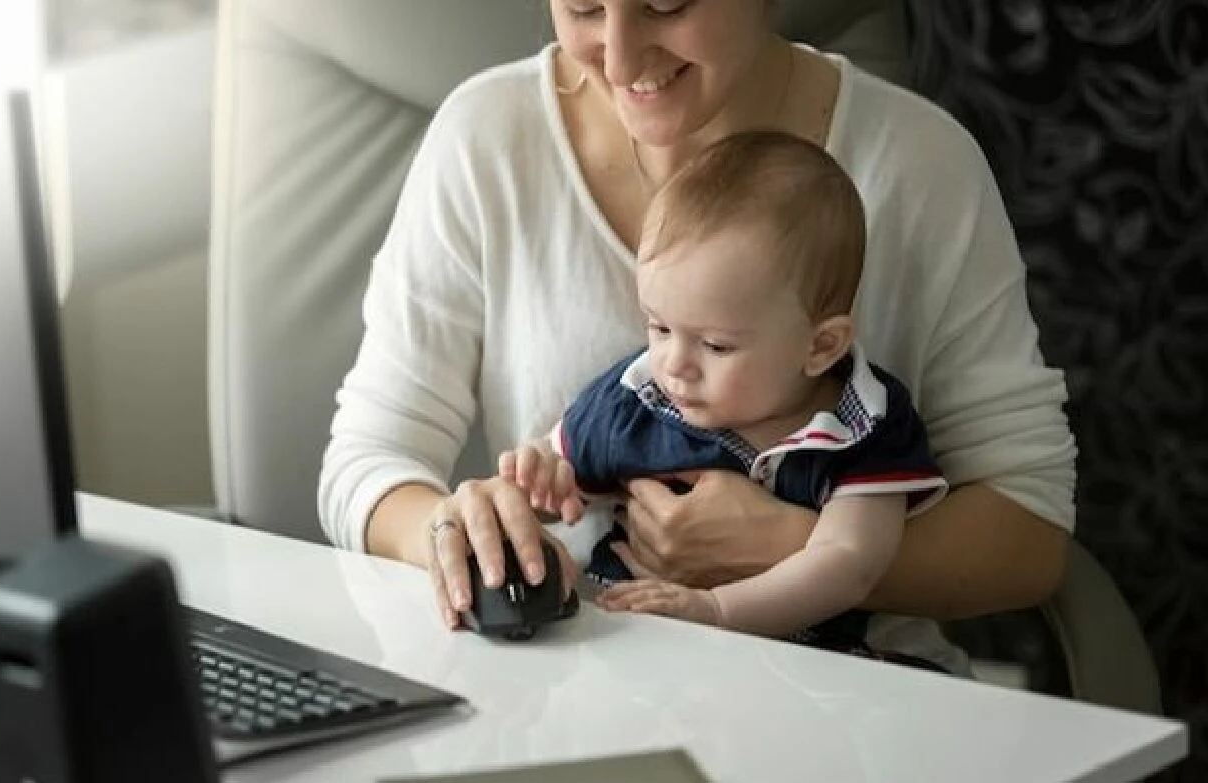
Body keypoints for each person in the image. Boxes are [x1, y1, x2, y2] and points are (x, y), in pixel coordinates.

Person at [318, 0, 1077, 675]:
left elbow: (1030, 525)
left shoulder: (919, 163)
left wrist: (795, 546)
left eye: (666, 4)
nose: (618, 59)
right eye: (583, 8)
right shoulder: (487, 137)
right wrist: (459, 533)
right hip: (588, 682)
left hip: (858, 696)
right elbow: (368, 457)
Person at [499, 129, 952, 665]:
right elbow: (557, 489)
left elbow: (851, 563)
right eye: (659, 327)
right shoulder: (636, 397)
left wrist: (715, 609)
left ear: (821, 345)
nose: (674, 363)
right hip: (625, 656)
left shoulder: (864, 427)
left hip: (796, 677)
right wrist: (542, 480)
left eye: (715, 344)